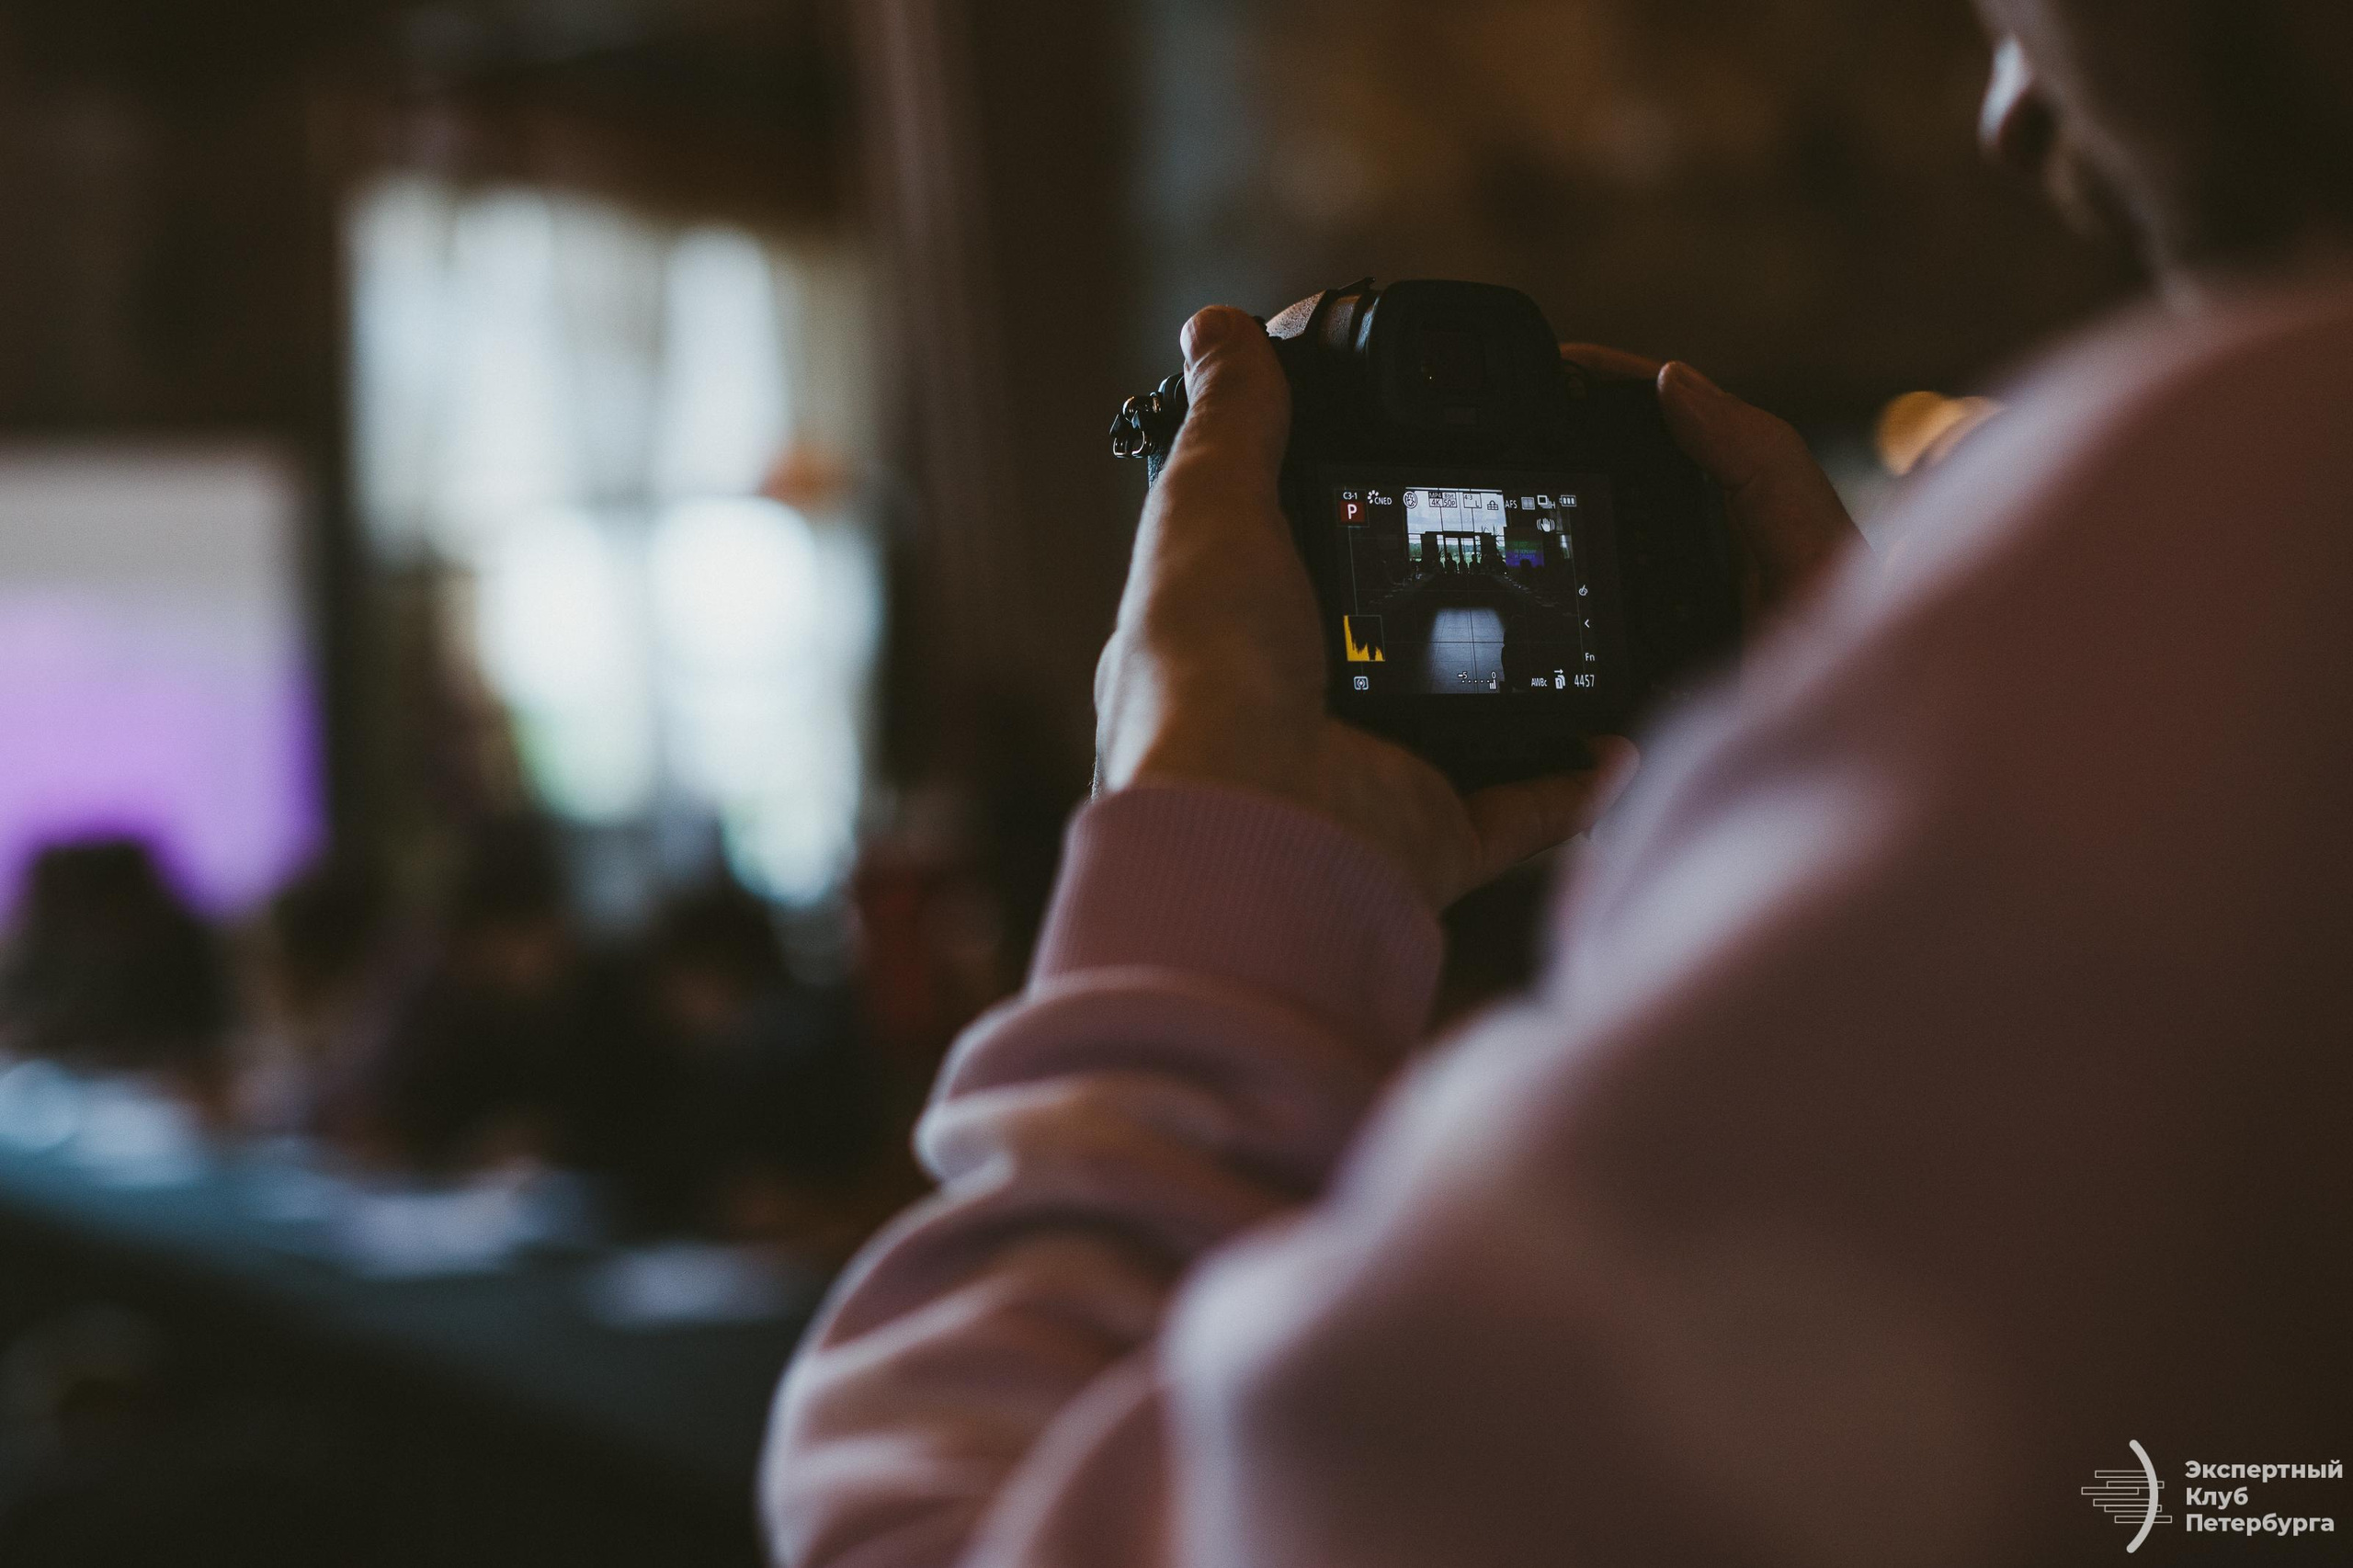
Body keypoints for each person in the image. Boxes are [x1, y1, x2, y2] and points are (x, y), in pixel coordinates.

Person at [765, 2, 2353, 1563]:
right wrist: (1833, 911)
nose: (2007, 104)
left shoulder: (2254, 503)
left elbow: (932, 1531)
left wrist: (1196, 877)